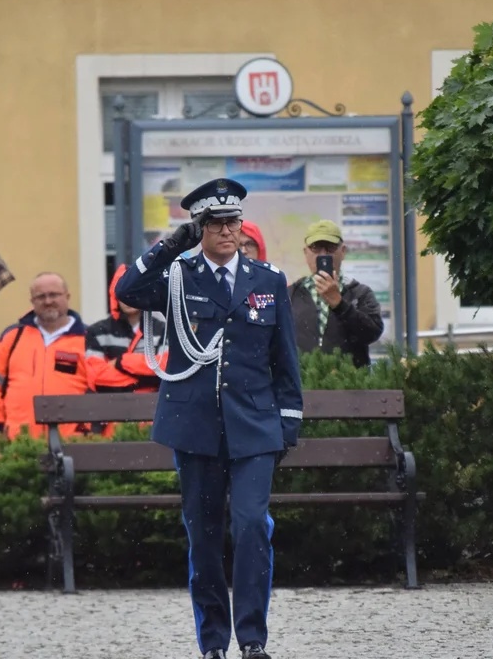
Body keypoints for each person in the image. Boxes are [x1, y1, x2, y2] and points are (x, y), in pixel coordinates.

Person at [116, 178, 303, 659]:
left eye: (232, 221)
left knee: (250, 527)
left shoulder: (268, 280)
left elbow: (285, 361)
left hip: (255, 426)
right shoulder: (179, 276)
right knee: (203, 535)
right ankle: (214, 642)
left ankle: (253, 639)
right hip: (195, 425)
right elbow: (129, 291)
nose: (227, 230)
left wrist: (287, 424)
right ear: (200, 228)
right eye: (215, 223)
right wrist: (169, 246)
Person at [0, 272, 90, 439]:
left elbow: (99, 390)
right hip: (18, 442)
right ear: (32, 301)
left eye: (54, 295)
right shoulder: (12, 337)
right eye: (40, 296)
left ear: (67, 296)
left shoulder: (88, 339)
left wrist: (87, 430)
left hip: (73, 441)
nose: (48, 301)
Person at [290, 219, 384, 368]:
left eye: (330, 247)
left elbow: (372, 333)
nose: (322, 254)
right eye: (315, 247)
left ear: (343, 251)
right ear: (305, 252)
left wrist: (340, 305)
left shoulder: (360, 293)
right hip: (302, 384)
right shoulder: (291, 294)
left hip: (348, 385)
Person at [85, 263, 168, 403]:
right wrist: (145, 379)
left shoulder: (162, 329)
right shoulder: (96, 332)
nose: (128, 297)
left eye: (134, 290)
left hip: (152, 412)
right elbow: (97, 378)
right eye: (123, 291)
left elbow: (165, 370)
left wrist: (121, 362)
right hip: (110, 413)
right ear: (114, 294)